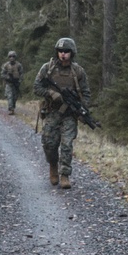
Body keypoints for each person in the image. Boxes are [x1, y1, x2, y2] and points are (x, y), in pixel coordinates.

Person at [33, 37, 90, 189]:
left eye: (66, 51)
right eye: (60, 51)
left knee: (67, 144)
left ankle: (64, 174)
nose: (63, 54)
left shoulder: (78, 71)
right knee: (49, 143)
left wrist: (82, 109)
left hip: (69, 115)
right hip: (52, 112)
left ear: (72, 53)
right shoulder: (48, 68)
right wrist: (52, 94)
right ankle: (53, 165)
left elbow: (85, 93)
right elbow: (37, 87)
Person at [0, 50, 24, 114]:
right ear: (8, 57)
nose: (12, 58)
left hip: (16, 83)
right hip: (9, 83)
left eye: (13, 56)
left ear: (15, 57)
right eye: (10, 56)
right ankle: (11, 109)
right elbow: (2, 74)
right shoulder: (6, 65)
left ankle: (13, 107)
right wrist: (7, 77)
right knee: (9, 96)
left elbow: (21, 74)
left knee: (15, 97)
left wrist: (19, 81)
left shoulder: (19, 65)